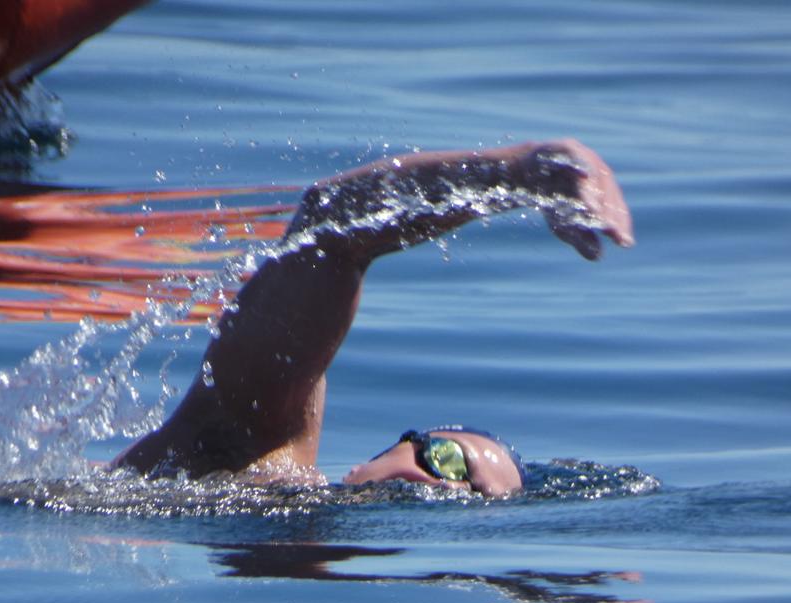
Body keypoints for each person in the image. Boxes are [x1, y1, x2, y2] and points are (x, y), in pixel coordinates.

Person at [111, 139, 633, 497]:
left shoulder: (310, 553)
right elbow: (330, 226)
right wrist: (518, 174)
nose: (447, 487)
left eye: (473, 497)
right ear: (392, 451)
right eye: (448, 460)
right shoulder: (254, 449)